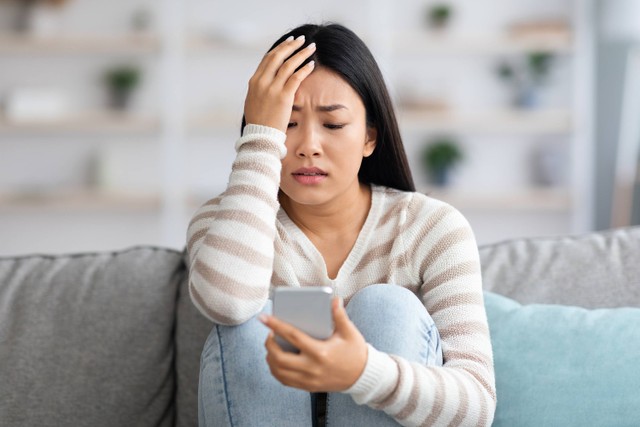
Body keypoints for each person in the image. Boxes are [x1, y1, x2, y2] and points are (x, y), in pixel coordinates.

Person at [186, 23, 496, 427]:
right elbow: (224, 302)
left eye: (332, 125)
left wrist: (364, 372)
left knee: (387, 308)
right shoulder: (223, 222)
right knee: (247, 324)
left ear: (370, 138)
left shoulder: (432, 228)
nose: (307, 145)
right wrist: (261, 139)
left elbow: (477, 406)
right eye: (288, 123)